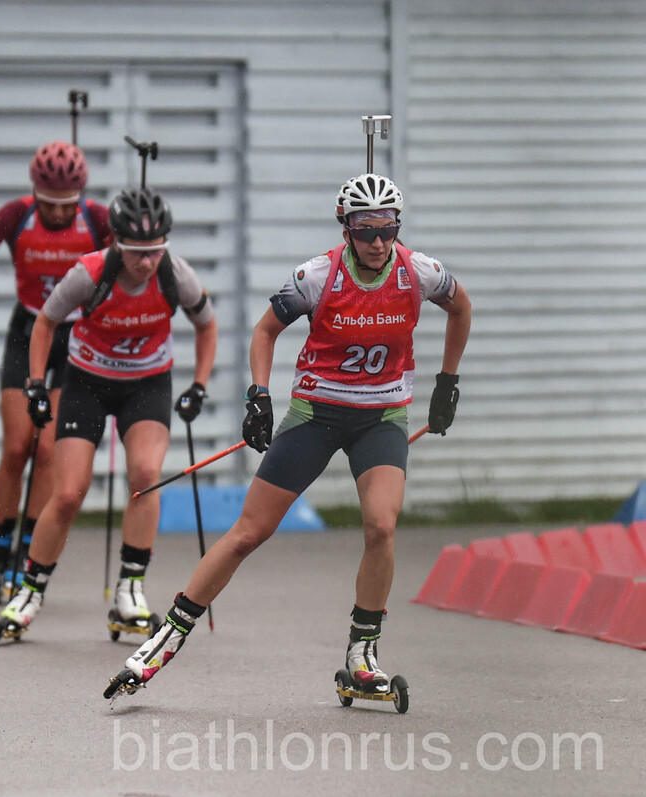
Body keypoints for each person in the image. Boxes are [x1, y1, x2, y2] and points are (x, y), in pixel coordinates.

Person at [108, 173, 472, 694]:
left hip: (382, 416)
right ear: (346, 230)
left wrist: (447, 382)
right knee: (249, 533)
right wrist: (259, 395)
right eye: (365, 230)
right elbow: (265, 331)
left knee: (381, 527)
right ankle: (164, 639)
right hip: (316, 415)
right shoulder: (317, 276)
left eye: (387, 229)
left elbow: (461, 307)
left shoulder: (420, 272)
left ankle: (363, 652)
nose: (377, 242)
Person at [0, 185, 218, 643]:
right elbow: (44, 322)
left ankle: (130, 591)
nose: (147, 262)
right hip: (87, 383)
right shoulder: (90, 273)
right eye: (137, 252)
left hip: (147, 384)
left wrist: (199, 385)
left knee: (145, 476)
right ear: (117, 242)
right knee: (69, 493)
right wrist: (36, 384)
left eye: (155, 250)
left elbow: (207, 325)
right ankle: (29, 592)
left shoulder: (177, 274)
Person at [0, 141, 113, 602]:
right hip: (27, 333)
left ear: (80, 196)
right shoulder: (15, 215)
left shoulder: (97, 219)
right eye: (48, 204)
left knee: (46, 451)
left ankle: (26, 553)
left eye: (67, 205)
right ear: (35, 194)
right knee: (17, 445)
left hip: (74, 338)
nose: (58, 213)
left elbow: (127, 270)